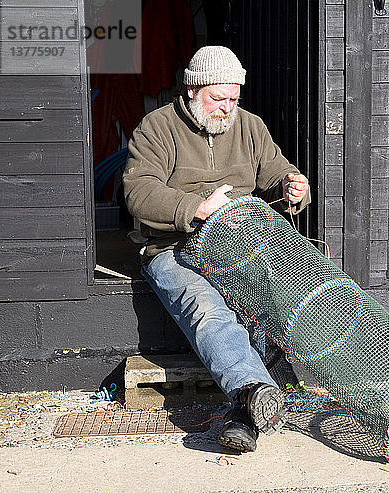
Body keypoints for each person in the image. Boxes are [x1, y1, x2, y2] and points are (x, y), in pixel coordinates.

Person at [123, 46, 310, 453]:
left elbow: (276, 170)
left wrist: (292, 186)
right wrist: (195, 208)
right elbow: (138, 193)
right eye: (218, 98)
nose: (228, 108)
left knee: (269, 302)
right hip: (173, 247)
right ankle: (251, 391)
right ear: (192, 89)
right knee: (208, 311)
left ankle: (246, 412)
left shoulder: (250, 126)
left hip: (238, 244)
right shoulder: (156, 128)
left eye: (234, 99)